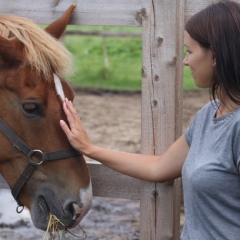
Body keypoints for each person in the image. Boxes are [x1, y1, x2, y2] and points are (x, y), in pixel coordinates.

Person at [60, 0, 240, 239]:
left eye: (190, 51)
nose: (185, 61)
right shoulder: (209, 115)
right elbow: (158, 167)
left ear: (215, 56)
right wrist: (89, 149)